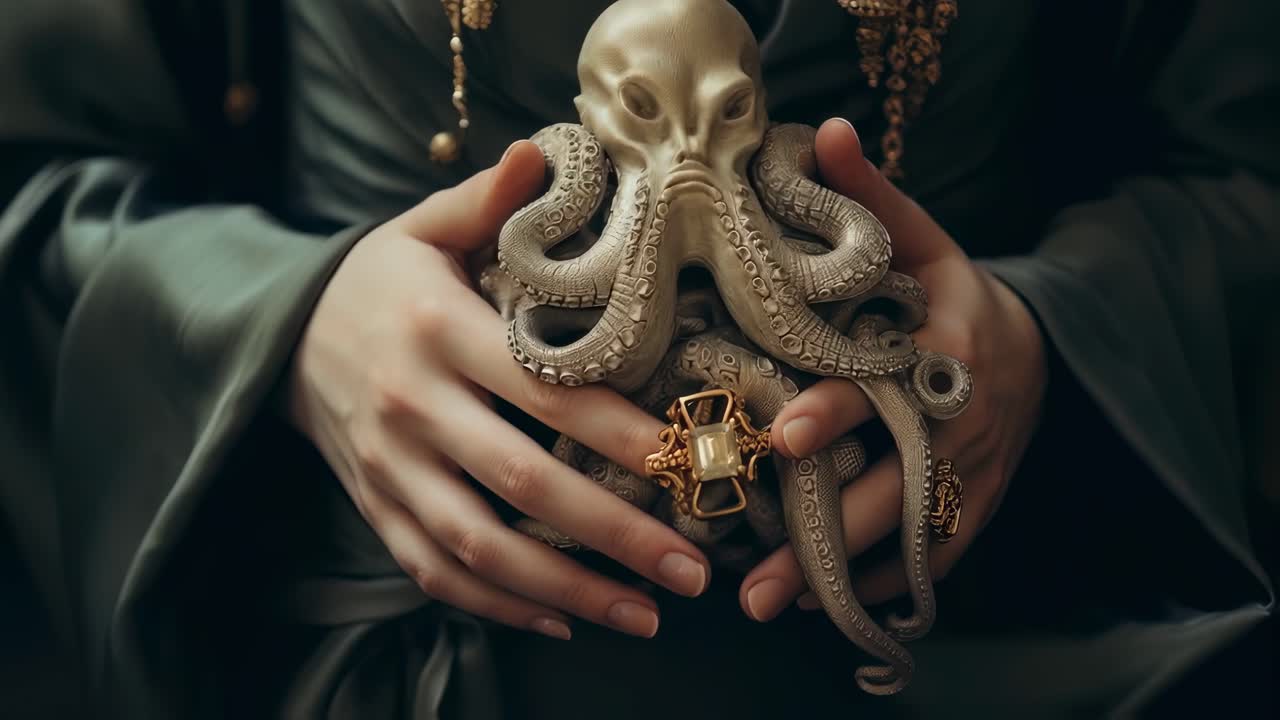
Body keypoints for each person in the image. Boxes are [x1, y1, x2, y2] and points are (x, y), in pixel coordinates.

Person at [1, 0, 1275, 717]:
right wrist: (288, 324)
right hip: (395, 651)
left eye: (716, 127)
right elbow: (34, 170)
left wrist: (1046, 330)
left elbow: (1246, 168)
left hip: (996, 631)